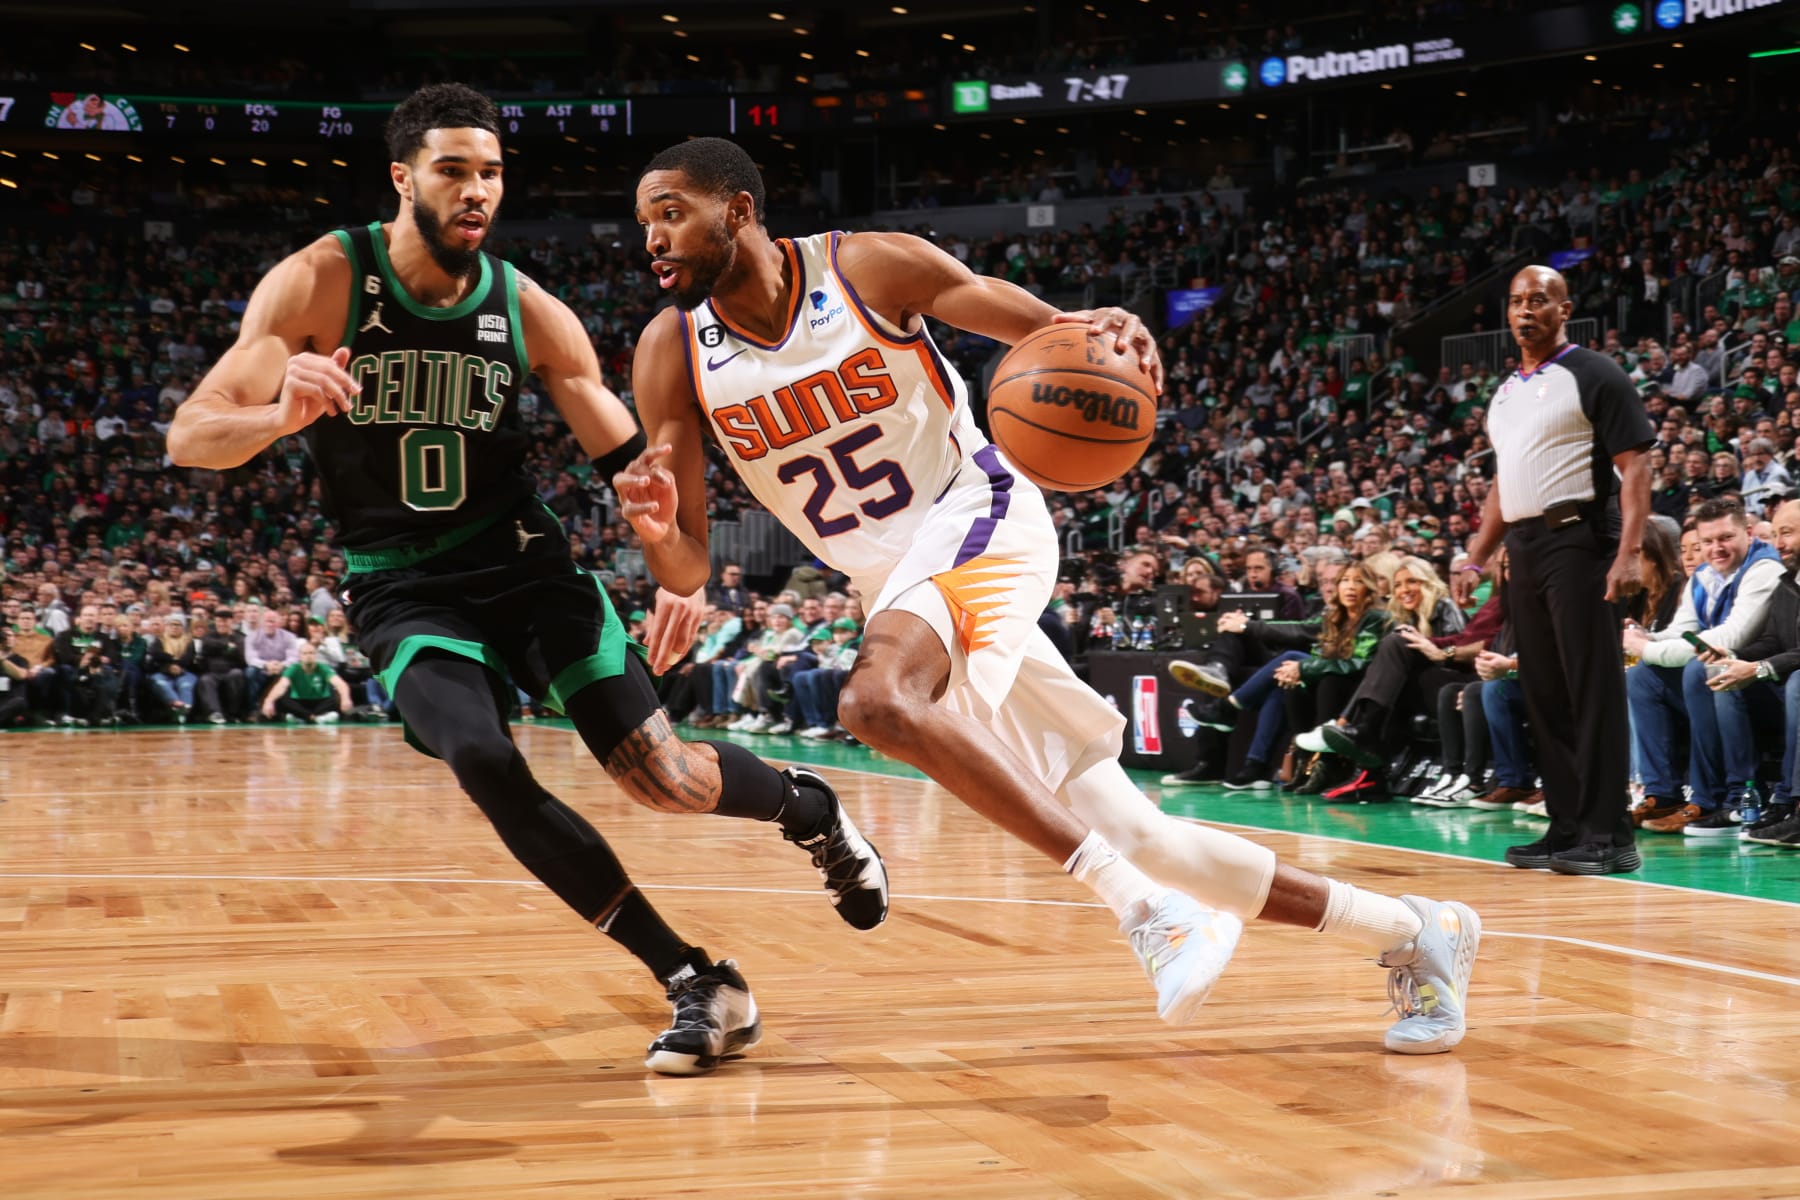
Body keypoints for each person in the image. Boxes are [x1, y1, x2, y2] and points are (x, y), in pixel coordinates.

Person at [620, 136, 1481, 1053]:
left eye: (671, 213)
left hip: (978, 515)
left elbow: (1051, 338)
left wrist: (1111, 327)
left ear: (739, 211)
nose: (653, 241)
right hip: (898, 587)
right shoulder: (670, 353)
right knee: (1139, 832)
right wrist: (655, 526)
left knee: (876, 700)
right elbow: (687, 569)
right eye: (644, 223)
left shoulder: (867, 266)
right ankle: (1417, 930)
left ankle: (1146, 913)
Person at [165, 84, 890, 1077]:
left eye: (491, 172)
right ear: (402, 178)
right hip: (403, 589)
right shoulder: (322, 282)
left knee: (662, 778)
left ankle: (809, 809)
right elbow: (191, 435)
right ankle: (694, 977)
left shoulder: (531, 312)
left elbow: (650, 495)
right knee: (484, 758)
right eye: (453, 169)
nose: (476, 190)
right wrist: (276, 417)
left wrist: (670, 555)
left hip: (527, 571)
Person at [1463, 265, 1653, 876]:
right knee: (1543, 693)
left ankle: (1609, 834)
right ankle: (1567, 823)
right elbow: (1504, 482)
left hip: (1580, 543)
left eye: (1538, 300)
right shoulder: (1507, 390)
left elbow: (1637, 468)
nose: (1525, 310)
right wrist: (1476, 553)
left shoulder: (1593, 373)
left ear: (1563, 309)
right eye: (1517, 301)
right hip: (1525, 550)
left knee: (1589, 688)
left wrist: (1627, 554)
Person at [1624, 499, 1786, 835]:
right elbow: (1682, 630)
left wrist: (1647, 649)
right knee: (1642, 678)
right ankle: (1662, 793)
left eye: (1726, 538)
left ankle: (1726, 798)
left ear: (1749, 533)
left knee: (1702, 669)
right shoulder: (1703, 574)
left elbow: (1729, 637)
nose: (1717, 548)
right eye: (1708, 542)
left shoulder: (1764, 569)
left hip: (1768, 683)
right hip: (1720, 681)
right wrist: (1646, 637)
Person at [260, 641, 353, 723]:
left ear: (316, 655)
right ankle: (316, 717)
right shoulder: (293, 669)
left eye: (311, 653)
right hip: (300, 701)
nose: (308, 656)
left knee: (336, 697)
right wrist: (268, 701)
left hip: (320, 701)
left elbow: (340, 684)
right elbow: (281, 686)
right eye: (305, 653)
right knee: (282, 699)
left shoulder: (323, 668)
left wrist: (345, 698)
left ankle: (303, 717)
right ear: (300, 656)